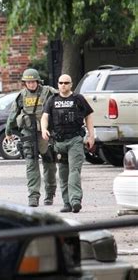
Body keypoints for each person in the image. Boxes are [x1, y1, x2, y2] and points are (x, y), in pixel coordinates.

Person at [41, 74, 94, 213]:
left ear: (71, 84)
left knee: (74, 171)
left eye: (66, 83)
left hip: (75, 140)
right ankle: (67, 203)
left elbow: (88, 116)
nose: (63, 85)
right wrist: (44, 129)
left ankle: (75, 200)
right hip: (59, 142)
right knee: (63, 174)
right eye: (61, 83)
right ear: (57, 84)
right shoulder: (52, 100)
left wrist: (91, 136)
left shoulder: (78, 99)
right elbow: (45, 117)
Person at [5, 68, 58, 207]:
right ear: (25, 83)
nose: (31, 84)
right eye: (28, 82)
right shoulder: (21, 96)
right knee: (31, 165)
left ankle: (50, 192)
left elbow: (61, 102)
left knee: (50, 165)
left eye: (33, 82)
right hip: (28, 133)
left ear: (38, 81)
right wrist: (8, 131)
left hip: (46, 133)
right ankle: (33, 196)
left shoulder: (49, 92)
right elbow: (13, 114)